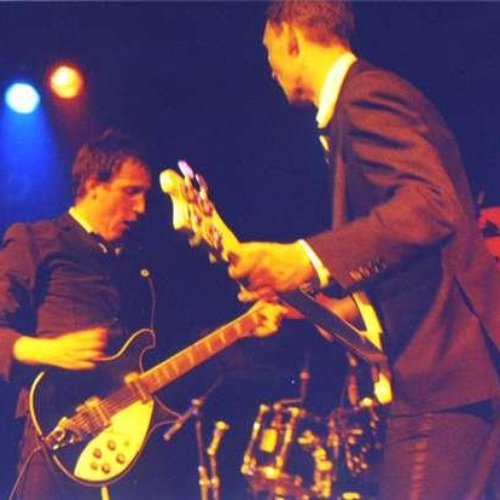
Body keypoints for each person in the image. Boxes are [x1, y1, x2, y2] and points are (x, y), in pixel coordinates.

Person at [227, 1, 500, 498]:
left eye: (269, 50)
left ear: (290, 37)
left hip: (446, 372)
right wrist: (330, 307)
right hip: (447, 371)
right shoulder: (352, 109)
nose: (269, 66)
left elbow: (430, 206)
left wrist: (304, 258)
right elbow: (415, 253)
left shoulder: (368, 96)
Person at [0, 129, 153, 499]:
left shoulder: (134, 265)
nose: (141, 208)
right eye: (131, 191)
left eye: (145, 195)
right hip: (58, 429)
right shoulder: (36, 239)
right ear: (94, 184)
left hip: (124, 435)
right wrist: (47, 350)